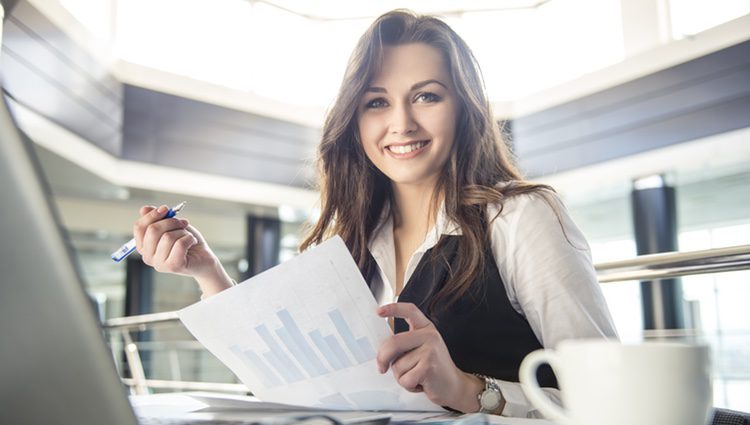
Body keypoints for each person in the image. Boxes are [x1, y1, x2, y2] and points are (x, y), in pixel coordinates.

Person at [132, 9, 618, 418]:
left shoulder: (518, 217)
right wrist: (208, 273)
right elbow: (295, 376)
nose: (401, 123)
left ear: (464, 108)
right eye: (377, 102)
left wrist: (472, 391)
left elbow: (615, 402)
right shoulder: (350, 244)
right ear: (355, 120)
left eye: (427, 96)